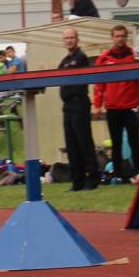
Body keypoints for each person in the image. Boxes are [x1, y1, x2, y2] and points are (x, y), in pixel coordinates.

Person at [93, 25, 139, 181]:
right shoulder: (104, 58)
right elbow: (99, 84)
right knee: (115, 144)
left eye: (123, 36)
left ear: (126, 37)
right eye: (117, 36)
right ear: (112, 37)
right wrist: (97, 105)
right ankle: (117, 175)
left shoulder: (134, 56)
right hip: (113, 108)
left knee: (134, 142)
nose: (120, 38)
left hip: (131, 108)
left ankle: (138, 173)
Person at [56, 27, 97, 191]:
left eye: (72, 37)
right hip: (67, 106)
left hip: (79, 103)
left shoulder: (81, 58)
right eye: (66, 38)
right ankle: (77, 182)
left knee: (84, 142)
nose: (69, 40)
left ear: (77, 39)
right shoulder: (64, 61)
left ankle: (93, 179)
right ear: (63, 41)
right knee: (71, 144)